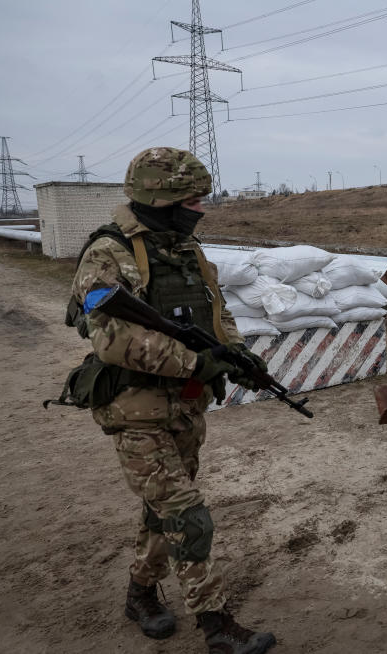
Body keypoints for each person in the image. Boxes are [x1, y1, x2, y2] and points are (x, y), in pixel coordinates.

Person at [65, 147, 277, 653]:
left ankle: (140, 594)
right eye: (193, 200)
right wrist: (196, 363)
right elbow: (110, 338)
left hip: (185, 408)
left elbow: (217, 318)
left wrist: (241, 356)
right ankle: (217, 626)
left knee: (161, 513)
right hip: (134, 410)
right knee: (187, 516)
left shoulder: (186, 251)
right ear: (160, 199)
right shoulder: (108, 253)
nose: (201, 209)